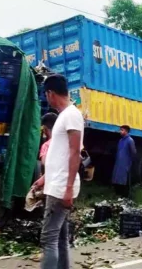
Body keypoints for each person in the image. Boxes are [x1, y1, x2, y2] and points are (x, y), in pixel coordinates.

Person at [33, 74, 84, 269]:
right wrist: (43, 179)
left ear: (50, 93)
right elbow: (61, 156)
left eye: (46, 95)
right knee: (60, 238)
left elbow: (74, 153)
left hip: (61, 187)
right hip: (57, 183)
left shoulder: (71, 115)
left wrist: (68, 188)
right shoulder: (65, 115)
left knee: (49, 238)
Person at [111, 125, 136, 197]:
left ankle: (125, 195)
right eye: (120, 130)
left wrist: (129, 162)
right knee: (116, 178)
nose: (120, 132)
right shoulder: (120, 140)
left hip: (125, 163)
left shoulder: (130, 140)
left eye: (122, 130)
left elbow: (133, 152)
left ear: (126, 131)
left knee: (124, 180)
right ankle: (117, 194)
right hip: (119, 162)